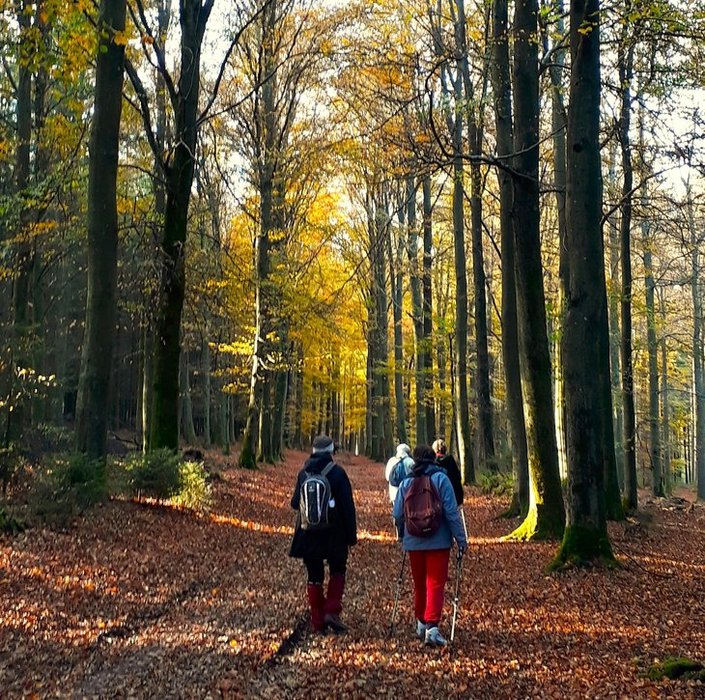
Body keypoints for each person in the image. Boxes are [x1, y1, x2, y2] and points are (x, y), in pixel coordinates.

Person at [393, 444, 467, 647]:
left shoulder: (406, 482)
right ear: (433, 458)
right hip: (439, 540)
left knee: (419, 583)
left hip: (413, 541)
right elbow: (451, 513)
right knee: (435, 582)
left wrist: (403, 535)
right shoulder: (441, 479)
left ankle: (420, 622)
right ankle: (432, 627)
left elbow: (397, 513)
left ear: (415, 460)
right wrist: (461, 539)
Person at [289, 435, 357, 633]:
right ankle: (331, 611)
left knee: (314, 576)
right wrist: (351, 536)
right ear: (330, 452)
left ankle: (318, 621)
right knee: (338, 570)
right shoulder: (337, 473)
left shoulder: (303, 473)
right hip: (334, 534)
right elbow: (347, 507)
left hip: (308, 533)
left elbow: (295, 503)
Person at [432, 438, 464, 506]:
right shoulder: (450, 461)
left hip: (436, 498)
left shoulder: (432, 463)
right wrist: (459, 499)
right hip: (452, 496)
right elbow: (457, 479)